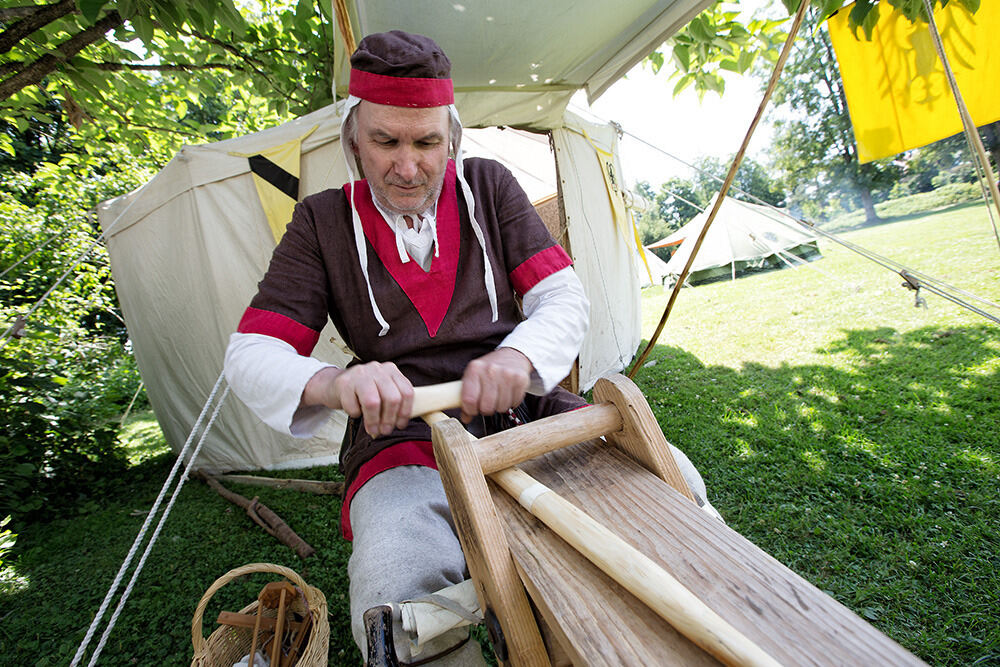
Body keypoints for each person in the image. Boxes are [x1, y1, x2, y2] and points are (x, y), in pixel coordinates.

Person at [224, 30, 592, 665]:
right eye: (385, 140)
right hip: (401, 439)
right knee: (394, 575)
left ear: (450, 138)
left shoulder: (489, 187)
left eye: (426, 143)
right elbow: (252, 352)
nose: (408, 165)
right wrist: (337, 385)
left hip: (520, 417)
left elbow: (563, 298)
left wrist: (518, 358)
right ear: (352, 138)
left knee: (669, 488)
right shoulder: (320, 221)